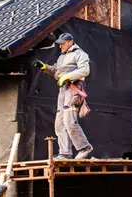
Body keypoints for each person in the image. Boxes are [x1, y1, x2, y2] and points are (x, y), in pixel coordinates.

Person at [34, 32, 94, 160]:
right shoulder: (62, 57)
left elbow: (85, 70)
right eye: (59, 44)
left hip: (73, 88)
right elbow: (57, 71)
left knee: (69, 121)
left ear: (70, 42)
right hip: (62, 90)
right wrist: (45, 68)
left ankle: (85, 147)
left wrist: (68, 77)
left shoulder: (80, 54)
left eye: (62, 43)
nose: (60, 46)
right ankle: (65, 153)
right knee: (59, 123)